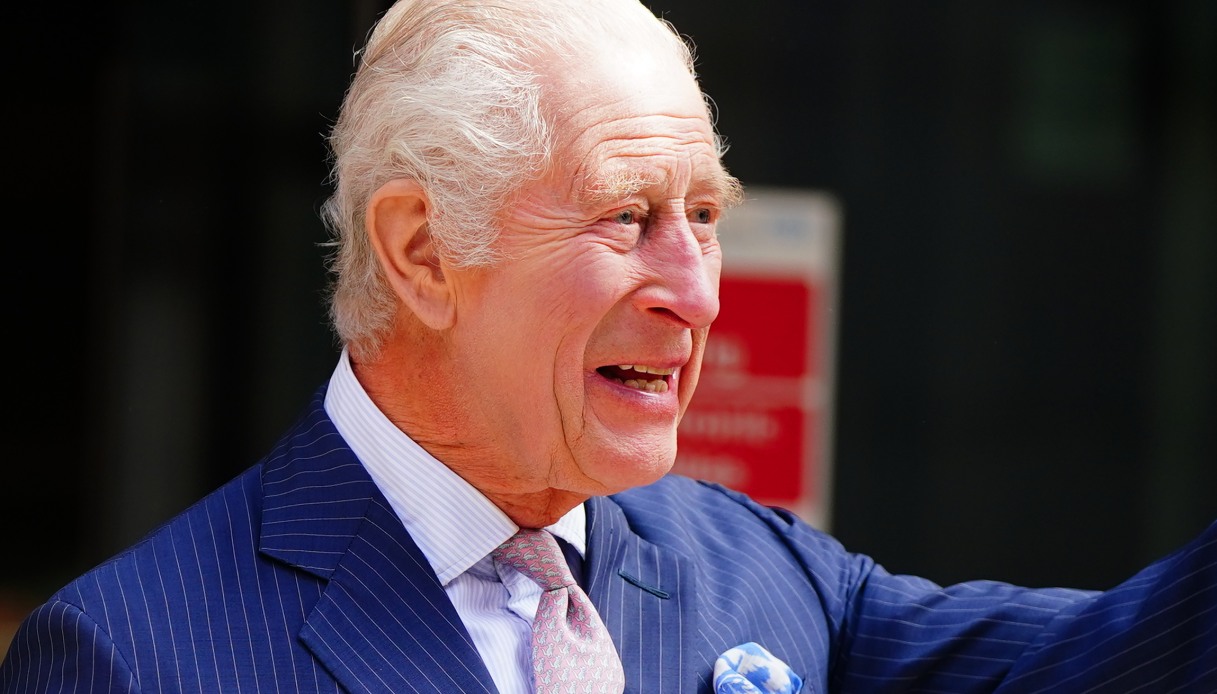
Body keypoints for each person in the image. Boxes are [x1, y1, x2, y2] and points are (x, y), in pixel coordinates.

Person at [3, 0, 1214, 691]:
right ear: (422, 252)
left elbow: (1107, 662)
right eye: (627, 216)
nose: (695, 293)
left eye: (704, 215)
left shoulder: (747, 567)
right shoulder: (134, 653)